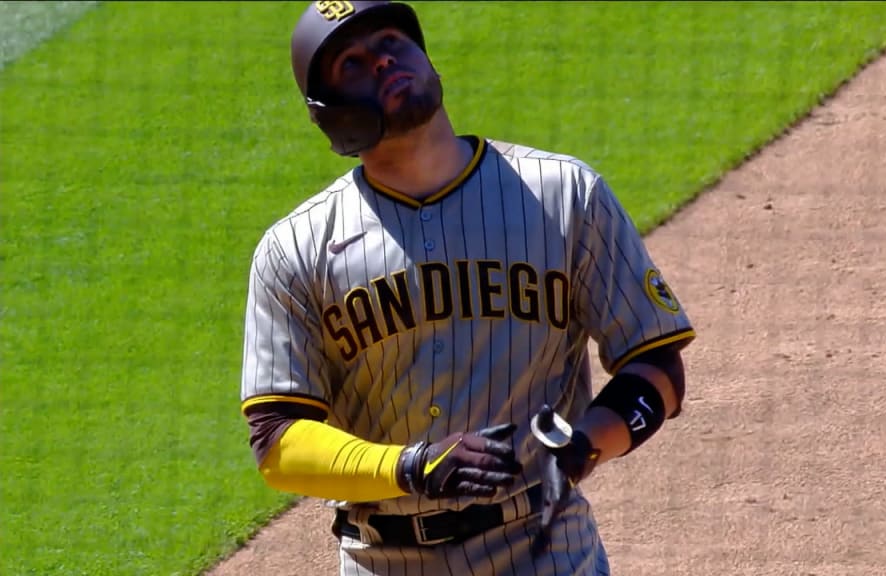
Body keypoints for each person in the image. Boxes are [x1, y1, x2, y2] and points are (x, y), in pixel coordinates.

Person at [239, 1, 697, 574]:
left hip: (546, 549)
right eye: (352, 62)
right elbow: (277, 442)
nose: (383, 61)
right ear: (329, 113)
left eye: (391, 43)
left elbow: (658, 368)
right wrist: (409, 467)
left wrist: (583, 449)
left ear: (428, 61)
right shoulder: (296, 249)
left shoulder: (563, 194)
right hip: (383, 560)